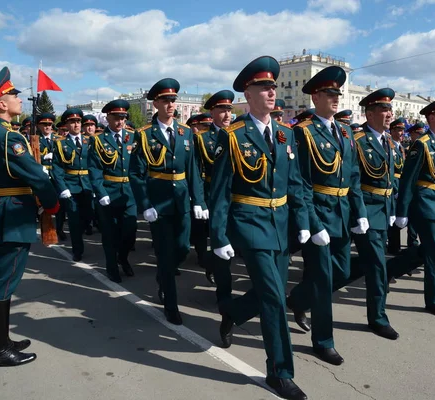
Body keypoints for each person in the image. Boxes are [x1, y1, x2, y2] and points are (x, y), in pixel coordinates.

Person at [210, 56, 310, 400]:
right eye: (264, 87)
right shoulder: (233, 136)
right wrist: (218, 235)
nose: (272, 92)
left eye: (273, 86)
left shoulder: (285, 134)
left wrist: (305, 222)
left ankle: (233, 313)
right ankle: (280, 372)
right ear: (248, 94)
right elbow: (221, 189)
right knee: (273, 297)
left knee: (272, 291)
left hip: (280, 224)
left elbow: (294, 183)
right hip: (249, 224)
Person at [0, 67, 59, 368]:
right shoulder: (8, 137)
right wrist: (52, 205)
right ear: (1, 104)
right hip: (13, 214)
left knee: (0, 279)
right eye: (12, 95)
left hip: (5, 210)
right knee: (4, 280)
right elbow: (37, 176)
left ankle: (0, 340)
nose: (18, 98)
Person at [287, 66, 367, 360]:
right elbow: (301, 183)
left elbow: (354, 175)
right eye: (330, 93)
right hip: (319, 213)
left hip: (342, 212)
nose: (336, 98)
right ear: (316, 96)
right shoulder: (303, 133)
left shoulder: (346, 131)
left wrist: (359, 212)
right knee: (322, 280)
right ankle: (323, 341)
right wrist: (312, 222)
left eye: (338, 93)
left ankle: (296, 299)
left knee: (342, 273)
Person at [129, 78, 208, 325]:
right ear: (155, 103)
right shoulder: (144, 135)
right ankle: (170, 305)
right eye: (165, 100)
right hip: (159, 204)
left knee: (183, 248)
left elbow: (194, 168)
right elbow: (136, 173)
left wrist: (199, 201)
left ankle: (163, 277)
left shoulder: (185, 133)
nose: (171, 104)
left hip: (182, 200)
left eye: (173, 100)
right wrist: (145, 204)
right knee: (164, 253)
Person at [393, 97, 435, 319]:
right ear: (431, 118)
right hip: (424, 205)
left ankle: (387, 272)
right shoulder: (422, 144)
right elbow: (408, 180)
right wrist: (402, 212)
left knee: (430, 250)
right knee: (434, 254)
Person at [352, 89, 399, 339]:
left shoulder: (388, 141)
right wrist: (360, 214)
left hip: (383, 212)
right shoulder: (358, 141)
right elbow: (354, 180)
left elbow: (390, 180)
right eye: (383, 109)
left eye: (390, 110)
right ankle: (378, 318)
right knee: (378, 267)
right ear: (369, 113)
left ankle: (300, 299)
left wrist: (393, 209)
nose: (389, 114)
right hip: (367, 213)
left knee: (367, 266)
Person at [88, 100, 137, 283]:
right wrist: (101, 193)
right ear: (107, 117)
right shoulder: (99, 140)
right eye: (116, 117)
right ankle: (111, 267)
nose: (119, 121)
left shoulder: (133, 137)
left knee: (130, 232)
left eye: (123, 117)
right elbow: (94, 169)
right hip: (109, 193)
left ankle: (122, 258)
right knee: (110, 234)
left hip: (129, 194)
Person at [193, 90, 235, 289]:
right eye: (222, 110)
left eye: (229, 109)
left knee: (231, 239)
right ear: (212, 112)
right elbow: (197, 171)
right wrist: (200, 201)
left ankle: (213, 264)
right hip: (211, 193)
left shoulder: (237, 135)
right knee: (216, 235)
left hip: (233, 195)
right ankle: (220, 280)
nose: (227, 115)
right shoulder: (201, 139)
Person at [51, 108, 94, 261]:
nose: (76, 125)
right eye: (72, 122)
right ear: (66, 124)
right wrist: (62, 188)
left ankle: (81, 235)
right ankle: (77, 250)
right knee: (75, 220)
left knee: (88, 217)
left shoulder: (90, 141)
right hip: (71, 186)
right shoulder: (60, 143)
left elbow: (95, 165)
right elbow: (57, 168)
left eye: (78, 121)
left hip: (88, 185)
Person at [387, 118, 406, 255]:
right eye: (398, 130)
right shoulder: (389, 146)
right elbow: (390, 171)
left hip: (401, 186)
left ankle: (396, 246)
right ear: (391, 131)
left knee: (398, 218)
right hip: (393, 186)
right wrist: (395, 189)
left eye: (402, 130)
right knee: (392, 218)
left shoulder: (401, 147)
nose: (401, 133)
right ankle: (393, 248)